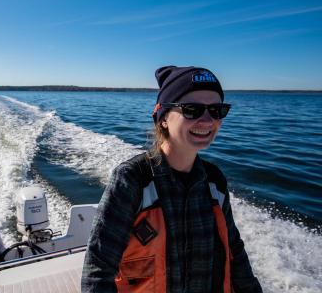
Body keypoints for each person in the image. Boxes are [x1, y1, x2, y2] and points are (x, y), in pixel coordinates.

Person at [81, 66, 262, 293]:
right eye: (192, 109)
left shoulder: (214, 180)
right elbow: (98, 268)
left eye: (216, 110)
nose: (207, 120)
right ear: (164, 117)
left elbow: (234, 252)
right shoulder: (133, 179)